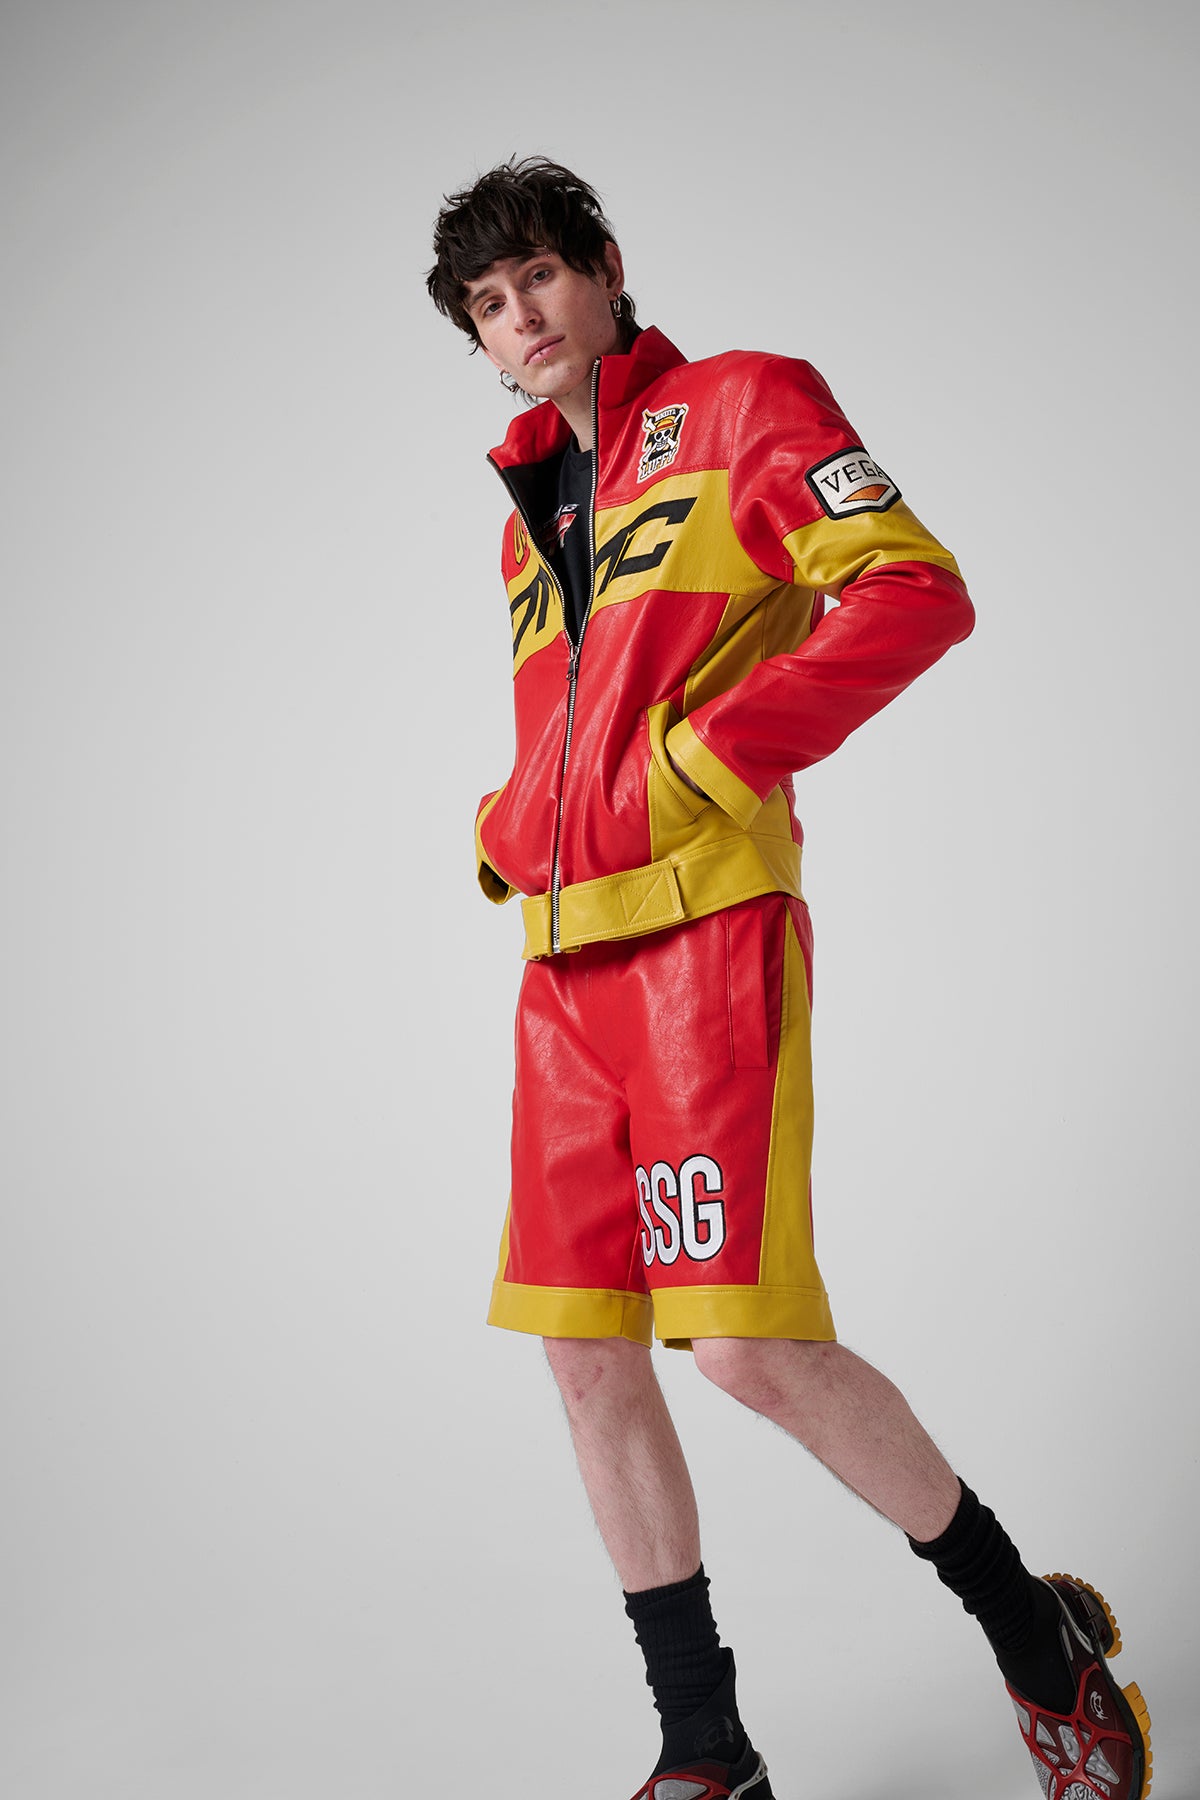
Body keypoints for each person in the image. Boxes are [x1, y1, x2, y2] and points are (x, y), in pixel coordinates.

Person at [425, 156, 1151, 1800]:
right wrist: (505, 830)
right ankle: (706, 1747)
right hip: (562, 979)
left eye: (538, 276)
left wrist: (700, 764)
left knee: (746, 1347)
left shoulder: (747, 405)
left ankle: (1031, 1630)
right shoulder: (528, 526)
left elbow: (913, 591)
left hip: (707, 947)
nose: (519, 317)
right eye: (486, 304)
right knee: (584, 1356)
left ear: (605, 268)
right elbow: (568, 739)